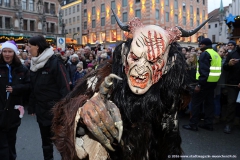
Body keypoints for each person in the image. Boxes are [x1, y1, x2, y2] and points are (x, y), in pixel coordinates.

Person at [52, 11, 211, 160]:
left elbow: (170, 141)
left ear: (169, 64)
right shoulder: (102, 79)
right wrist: (81, 111)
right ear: (124, 54)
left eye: (153, 61)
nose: (140, 69)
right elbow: (61, 116)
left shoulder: (169, 92)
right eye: (135, 57)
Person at [27, 35, 70, 160]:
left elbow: (65, 87)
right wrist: (32, 106)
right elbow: (33, 88)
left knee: (61, 144)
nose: (28, 49)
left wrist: (64, 109)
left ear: (37, 47)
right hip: (41, 110)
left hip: (55, 111)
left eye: (30, 46)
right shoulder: (34, 63)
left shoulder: (54, 62)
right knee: (46, 143)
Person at [182, 38, 221, 131]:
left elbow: (204, 71)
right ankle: (208, 124)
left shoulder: (205, 54)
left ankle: (193, 125)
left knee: (196, 104)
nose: (199, 46)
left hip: (204, 83)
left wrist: (199, 85)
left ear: (204, 45)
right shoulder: (216, 54)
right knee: (209, 104)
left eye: (200, 44)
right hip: (213, 83)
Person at [0, 40, 30, 160]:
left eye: (10, 51)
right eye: (5, 51)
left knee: (11, 140)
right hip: (0, 109)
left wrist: (16, 89)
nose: (7, 54)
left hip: (14, 110)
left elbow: (29, 86)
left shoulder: (22, 69)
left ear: (15, 53)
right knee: (2, 143)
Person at [222, 40, 240, 134]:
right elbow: (225, 67)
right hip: (232, 83)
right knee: (231, 103)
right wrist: (229, 64)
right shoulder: (232, 54)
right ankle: (228, 124)